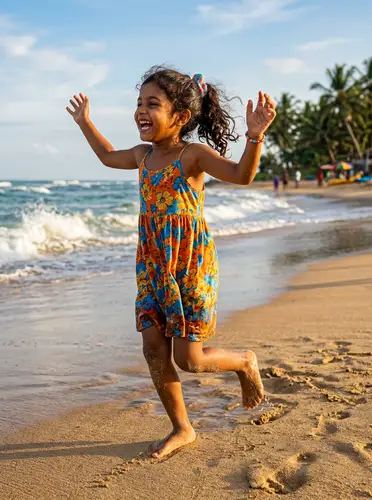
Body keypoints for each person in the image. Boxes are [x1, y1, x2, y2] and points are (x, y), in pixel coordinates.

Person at [66, 67, 276, 460]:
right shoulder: (142, 157)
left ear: (180, 116)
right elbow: (107, 157)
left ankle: (244, 362)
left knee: (190, 359)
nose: (141, 111)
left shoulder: (191, 156)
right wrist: (85, 123)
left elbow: (242, 176)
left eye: (152, 104)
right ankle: (182, 428)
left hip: (190, 266)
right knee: (152, 348)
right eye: (139, 103)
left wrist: (254, 136)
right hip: (151, 266)